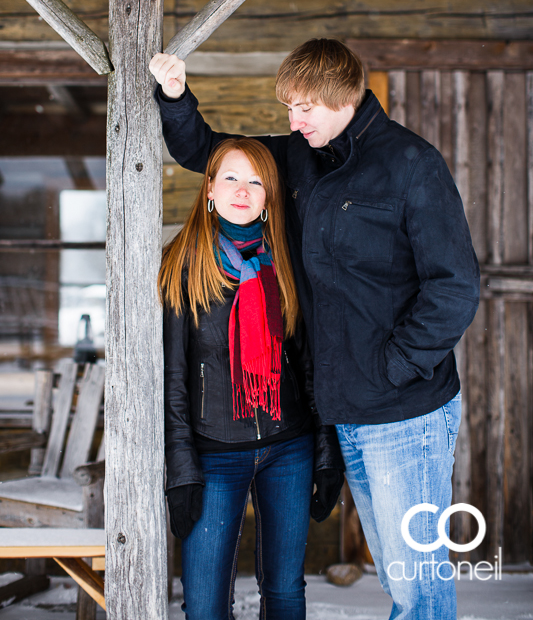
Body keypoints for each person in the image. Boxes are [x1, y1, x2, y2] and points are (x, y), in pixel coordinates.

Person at [151, 39, 480, 620]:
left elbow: (453, 287)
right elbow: (211, 151)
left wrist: (393, 367)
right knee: (397, 575)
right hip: (346, 411)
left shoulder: (410, 164)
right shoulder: (301, 155)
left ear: (342, 98)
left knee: (416, 587)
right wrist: (175, 96)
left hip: (404, 412)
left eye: (304, 106)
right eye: (289, 108)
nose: (292, 119)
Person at [159, 135, 344, 620]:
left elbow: (310, 362)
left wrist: (326, 452)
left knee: (284, 592)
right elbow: (173, 377)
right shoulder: (184, 264)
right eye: (232, 178)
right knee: (204, 604)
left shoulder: (287, 260)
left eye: (257, 181)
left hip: (289, 446)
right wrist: (181, 472)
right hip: (213, 452)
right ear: (210, 191)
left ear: (269, 198)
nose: (243, 190)